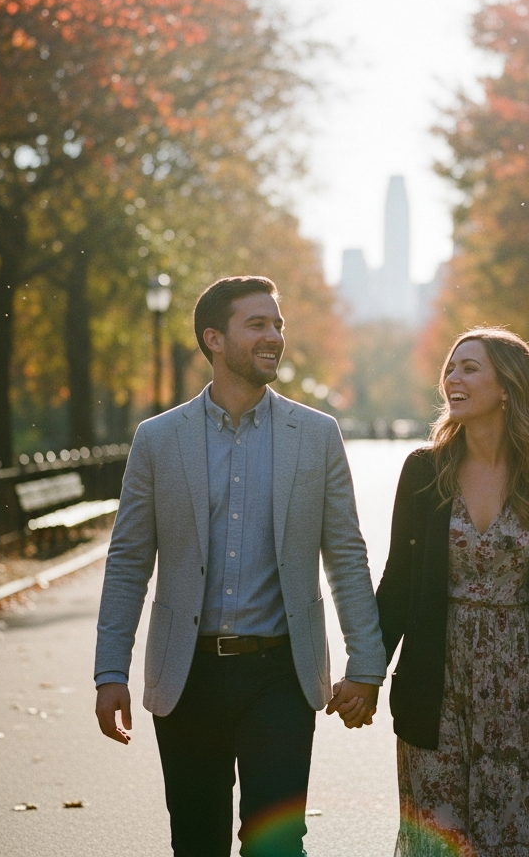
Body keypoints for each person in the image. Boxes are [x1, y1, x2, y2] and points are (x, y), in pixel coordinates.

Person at [94, 275, 386, 857]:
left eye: (277, 324)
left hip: (281, 673)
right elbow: (129, 561)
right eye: (257, 324)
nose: (274, 336)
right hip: (187, 675)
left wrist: (367, 662)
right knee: (197, 841)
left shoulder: (317, 435)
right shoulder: (157, 439)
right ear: (214, 339)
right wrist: (110, 672)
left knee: (275, 844)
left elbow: (347, 554)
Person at [376, 327, 529, 857]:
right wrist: (366, 669)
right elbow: (398, 580)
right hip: (437, 678)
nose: (453, 378)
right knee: (443, 838)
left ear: (508, 387)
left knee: (518, 832)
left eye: (470, 368)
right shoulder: (425, 470)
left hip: (523, 684)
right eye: (450, 367)